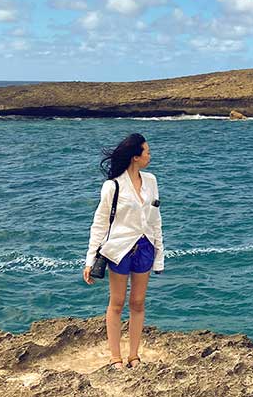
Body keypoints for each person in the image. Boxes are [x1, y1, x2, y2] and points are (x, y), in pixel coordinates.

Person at [83, 132, 164, 371]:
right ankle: (115, 358)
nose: (150, 155)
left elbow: (156, 219)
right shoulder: (113, 186)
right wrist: (90, 259)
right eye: (147, 151)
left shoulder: (151, 181)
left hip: (145, 247)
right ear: (135, 157)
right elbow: (100, 223)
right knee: (116, 303)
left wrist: (159, 254)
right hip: (119, 250)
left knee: (138, 302)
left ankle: (134, 356)